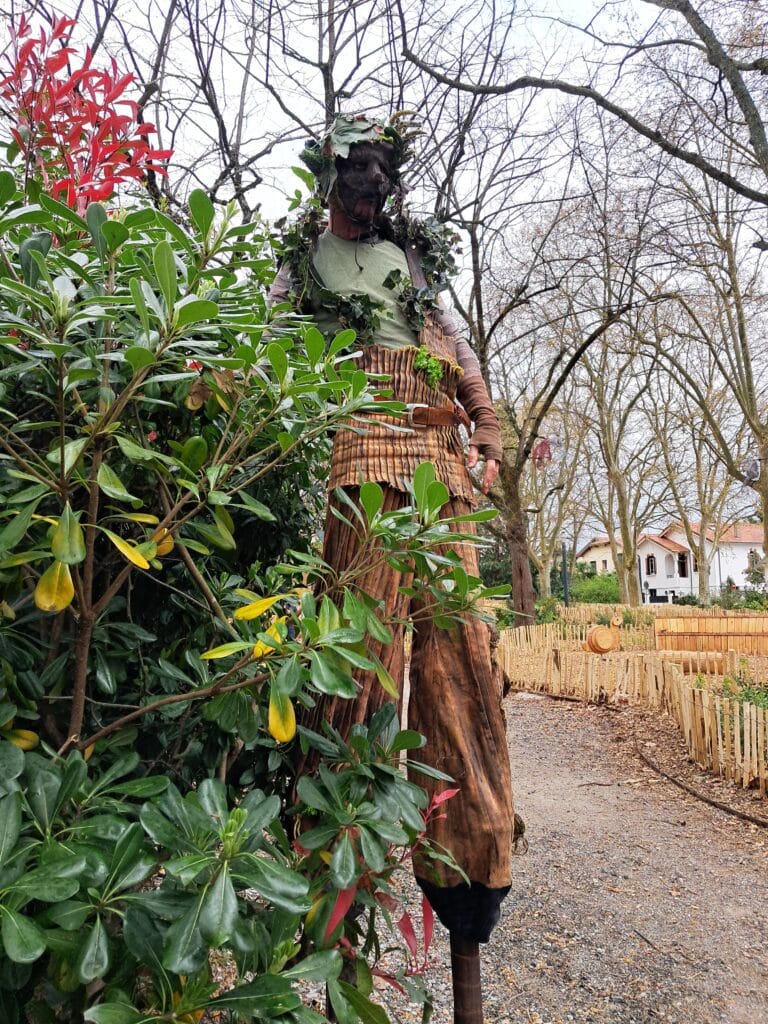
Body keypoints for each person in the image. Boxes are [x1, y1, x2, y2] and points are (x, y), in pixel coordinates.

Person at [270, 113, 513, 947]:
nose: (374, 181)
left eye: (383, 168)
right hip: (358, 461)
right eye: (358, 167)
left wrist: (484, 424)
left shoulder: (414, 261)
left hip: (437, 464)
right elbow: (271, 343)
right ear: (331, 175)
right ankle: (339, 860)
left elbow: (454, 343)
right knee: (363, 667)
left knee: (463, 656)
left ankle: (470, 856)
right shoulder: (304, 262)